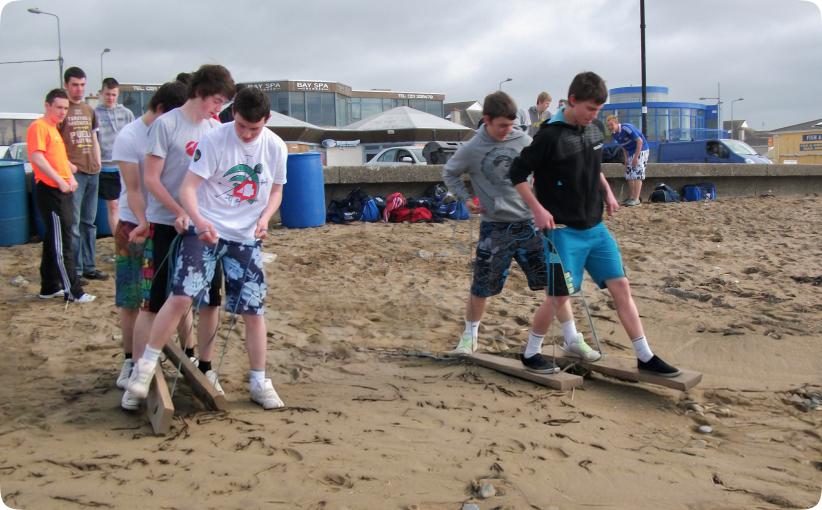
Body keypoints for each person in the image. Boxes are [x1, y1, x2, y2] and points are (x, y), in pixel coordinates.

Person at [509, 72, 680, 377]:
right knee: (559, 296)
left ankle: (644, 355)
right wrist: (535, 209)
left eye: (599, 111)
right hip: (561, 230)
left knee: (621, 286)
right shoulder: (548, 136)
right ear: (572, 101)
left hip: (596, 227)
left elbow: (593, 166)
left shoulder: (595, 128)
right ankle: (531, 351)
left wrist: (607, 192)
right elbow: (517, 174)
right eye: (590, 109)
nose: (594, 116)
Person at [127, 87, 288, 410]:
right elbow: (188, 188)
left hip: (244, 236)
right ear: (232, 115)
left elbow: (275, 192)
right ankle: (143, 370)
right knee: (182, 295)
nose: (245, 134)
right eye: (241, 125)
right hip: (205, 229)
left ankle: (259, 381)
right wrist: (199, 221)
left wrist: (265, 219)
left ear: (266, 121)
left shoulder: (275, 146)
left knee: (253, 311)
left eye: (253, 128)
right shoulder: (214, 140)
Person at [441, 91, 599, 368]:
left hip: (530, 225)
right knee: (481, 286)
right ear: (487, 120)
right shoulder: (472, 147)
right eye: (502, 125)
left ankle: (572, 338)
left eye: (511, 125)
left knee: (555, 284)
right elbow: (450, 173)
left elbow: (547, 166)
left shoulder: (523, 139)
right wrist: (465, 199)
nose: (507, 131)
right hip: (494, 228)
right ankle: (470, 337)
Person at [127, 64, 235, 408]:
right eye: (215, 100)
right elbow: (152, 179)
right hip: (165, 222)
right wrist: (179, 210)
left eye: (222, 103)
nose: (218, 108)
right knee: (155, 301)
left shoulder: (215, 127)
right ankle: (138, 371)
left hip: (204, 224)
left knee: (210, 300)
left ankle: (204, 365)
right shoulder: (166, 124)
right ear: (199, 93)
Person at [111, 81, 188, 409]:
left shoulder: (176, 129)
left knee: (179, 295)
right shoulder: (130, 136)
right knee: (132, 298)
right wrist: (144, 224)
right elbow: (135, 189)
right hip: (135, 222)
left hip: (170, 221)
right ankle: (131, 361)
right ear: (160, 110)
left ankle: (191, 358)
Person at [27, 89, 95, 304]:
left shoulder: (53, 129)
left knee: (53, 238)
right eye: (58, 107)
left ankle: (49, 285)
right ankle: (73, 291)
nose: (62, 112)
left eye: (65, 108)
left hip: (63, 187)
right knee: (62, 241)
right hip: (51, 190)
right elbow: (37, 158)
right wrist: (59, 180)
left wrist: (70, 173)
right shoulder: (38, 126)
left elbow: (57, 156)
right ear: (47, 106)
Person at [59, 67, 107, 284]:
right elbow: (57, 143)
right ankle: (75, 269)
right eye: (75, 85)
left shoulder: (89, 110)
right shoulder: (62, 110)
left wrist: (98, 162)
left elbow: (94, 138)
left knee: (90, 222)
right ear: (66, 85)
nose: (79, 89)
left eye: (82, 84)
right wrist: (68, 166)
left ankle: (89, 266)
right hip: (74, 173)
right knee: (74, 223)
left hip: (92, 171)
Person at [95, 77, 135, 238]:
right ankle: (118, 241)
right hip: (105, 166)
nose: (110, 98)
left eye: (113, 94)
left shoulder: (126, 113)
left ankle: (132, 238)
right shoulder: (95, 114)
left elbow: (134, 136)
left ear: (118, 94)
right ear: (101, 93)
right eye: (107, 94)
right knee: (113, 206)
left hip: (125, 165)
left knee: (129, 204)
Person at [605, 114, 649, 207]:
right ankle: (632, 197)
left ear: (617, 123)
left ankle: (637, 199)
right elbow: (623, 145)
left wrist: (636, 157)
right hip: (630, 151)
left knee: (637, 173)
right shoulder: (614, 134)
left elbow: (639, 141)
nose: (610, 127)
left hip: (641, 149)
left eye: (611, 125)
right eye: (608, 125)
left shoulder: (627, 128)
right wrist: (626, 159)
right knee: (629, 174)